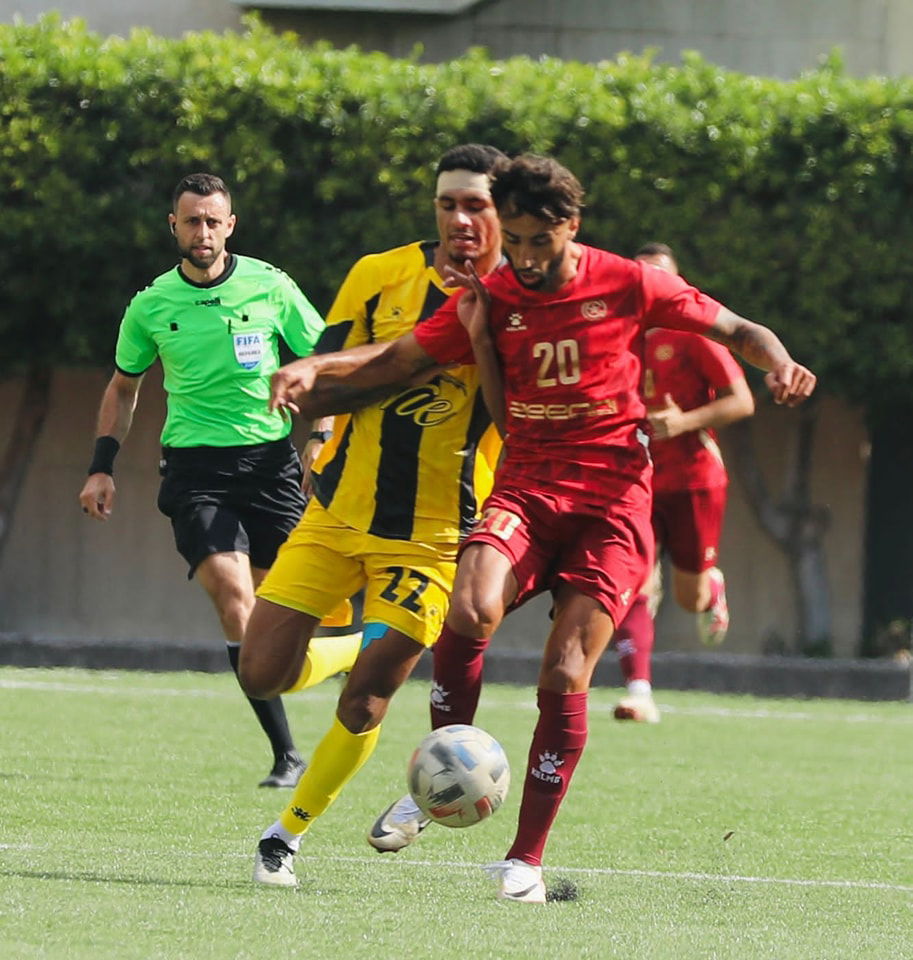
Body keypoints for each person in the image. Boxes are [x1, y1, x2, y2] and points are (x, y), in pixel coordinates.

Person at [268, 153, 816, 902]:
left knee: (564, 671)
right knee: (468, 608)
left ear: (571, 227)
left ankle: (523, 861)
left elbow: (737, 327)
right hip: (526, 488)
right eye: (515, 240)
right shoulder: (493, 295)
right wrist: (319, 370)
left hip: (612, 506)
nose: (524, 258)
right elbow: (400, 355)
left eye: (539, 242)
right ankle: (442, 772)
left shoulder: (629, 281)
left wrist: (779, 362)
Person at [241, 144, 508, 887]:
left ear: (503, 214)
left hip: (433, 538)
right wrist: (322, 429)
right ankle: (357, 642)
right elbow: (327, 372)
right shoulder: (377, 274)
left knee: (367, 701)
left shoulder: (517, 301)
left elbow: (508, 408)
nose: (460, 219)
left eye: (477, 205)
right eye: (448, 204)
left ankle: (284, 837)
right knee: (261, 673)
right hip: (338, 512)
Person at [78, 172, 359, 789]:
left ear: (230, 225)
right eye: (191, 221)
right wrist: (101, 466)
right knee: (234, 599)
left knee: (296, 612)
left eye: (212, 221)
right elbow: (123, 387)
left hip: (272, 468)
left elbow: (323, 364)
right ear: (173, 226)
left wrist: (321, 435)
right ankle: (286, 754)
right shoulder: (151, 304)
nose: (202, 231)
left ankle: (352, 663)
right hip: (195, 472)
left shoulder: (271, 286)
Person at [612, 242, 756, 725]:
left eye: (660, 275)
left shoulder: (694, 334)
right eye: (641, 274)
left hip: (694, 480)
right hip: (634, 480)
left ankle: (710, 587)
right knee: (632, 580)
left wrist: (683, 422)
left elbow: (742, 401)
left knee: (688, 598)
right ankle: (639, 691)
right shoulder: (611, 335)